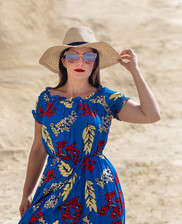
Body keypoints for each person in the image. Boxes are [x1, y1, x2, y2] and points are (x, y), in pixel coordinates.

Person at [18, 26, 160, 224]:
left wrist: (134, 71)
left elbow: (151, 115)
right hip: (55, 181)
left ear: (95, 64)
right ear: (63, 61)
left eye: (88, 57)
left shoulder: (105, 99)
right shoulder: (46, 99)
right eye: (73, 56)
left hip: (97, 185)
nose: (81, 62)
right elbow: (38, 148)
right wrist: (27, 193)